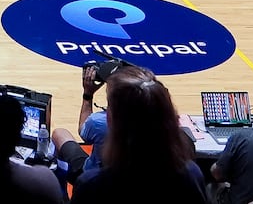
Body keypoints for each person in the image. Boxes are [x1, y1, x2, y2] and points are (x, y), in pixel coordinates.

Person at [70, 73, 205, 204]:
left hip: (93, 171)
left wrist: (87, 96)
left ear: (112, 121)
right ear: (168, 115)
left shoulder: (91, 185)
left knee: (60, 136)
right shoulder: (191, 174)